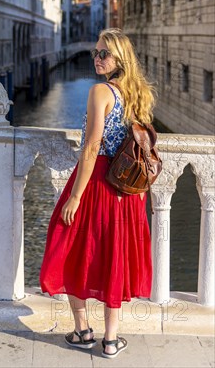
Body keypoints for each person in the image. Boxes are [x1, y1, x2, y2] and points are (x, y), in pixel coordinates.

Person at [39, 28, 156, 359]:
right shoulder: (138, 93)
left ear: (119, 58)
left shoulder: (100, 92)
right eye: (95, 52)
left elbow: (91, 147)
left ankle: (82, 330)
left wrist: (75, 196)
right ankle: (110, 339)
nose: (97, 58)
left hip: (98, 182)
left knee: (67, 245)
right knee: (114, 255)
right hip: (129, 189)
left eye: (104, 53)